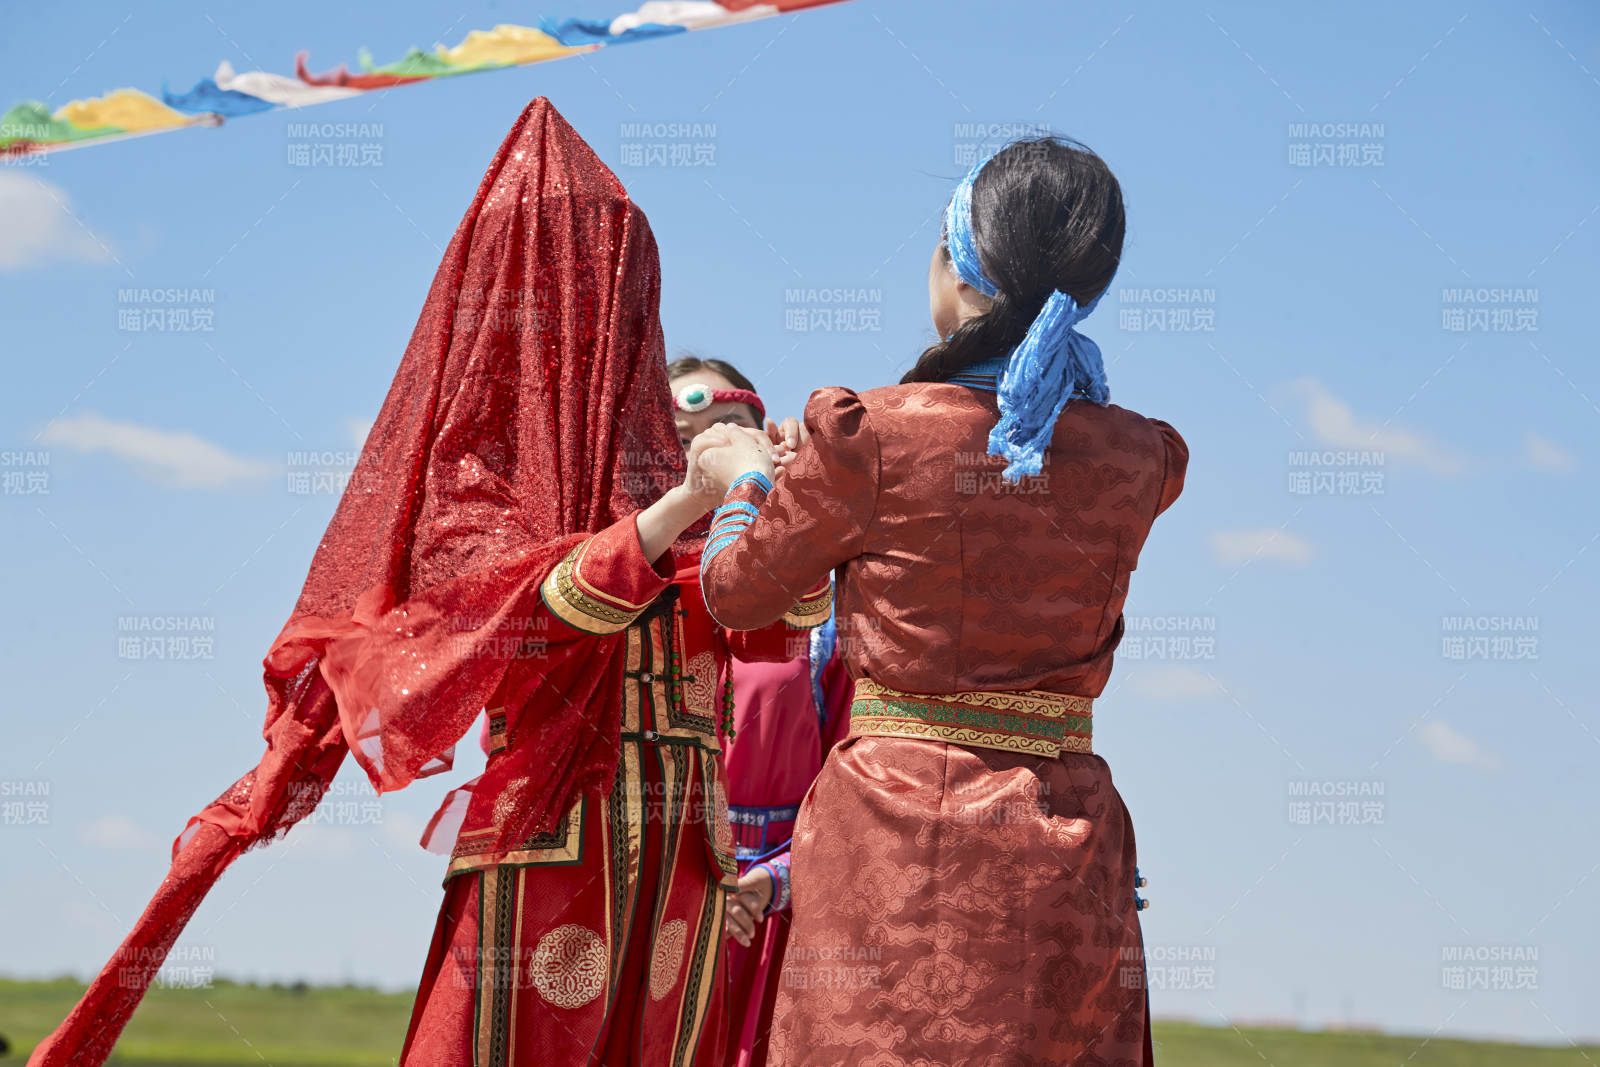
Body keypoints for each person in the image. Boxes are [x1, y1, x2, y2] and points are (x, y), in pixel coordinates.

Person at [27, 99, 827, 1067]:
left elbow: (774, 625)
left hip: (688, 848)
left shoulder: (665, 470)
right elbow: (517, 611)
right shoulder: (481, 462)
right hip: (556, 835)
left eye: (621, 277)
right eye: (580, 276)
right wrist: (679, 510)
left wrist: (798, 509)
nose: (606, 305)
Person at [691, 137, 1188, 1065]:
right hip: (1065, 837)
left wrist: (750, 481)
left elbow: (735, 590)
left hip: (894, 829)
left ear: (961, 273)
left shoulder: (870, 434)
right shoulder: (1143, 456)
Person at [664, 356, 856, 1067]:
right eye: (685, 445)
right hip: (652, 913)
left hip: (776, 922)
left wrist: (768, 882)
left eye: (727, 437)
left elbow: (855, 780)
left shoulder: (825, 617)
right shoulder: (632, 607)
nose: (711, 461)